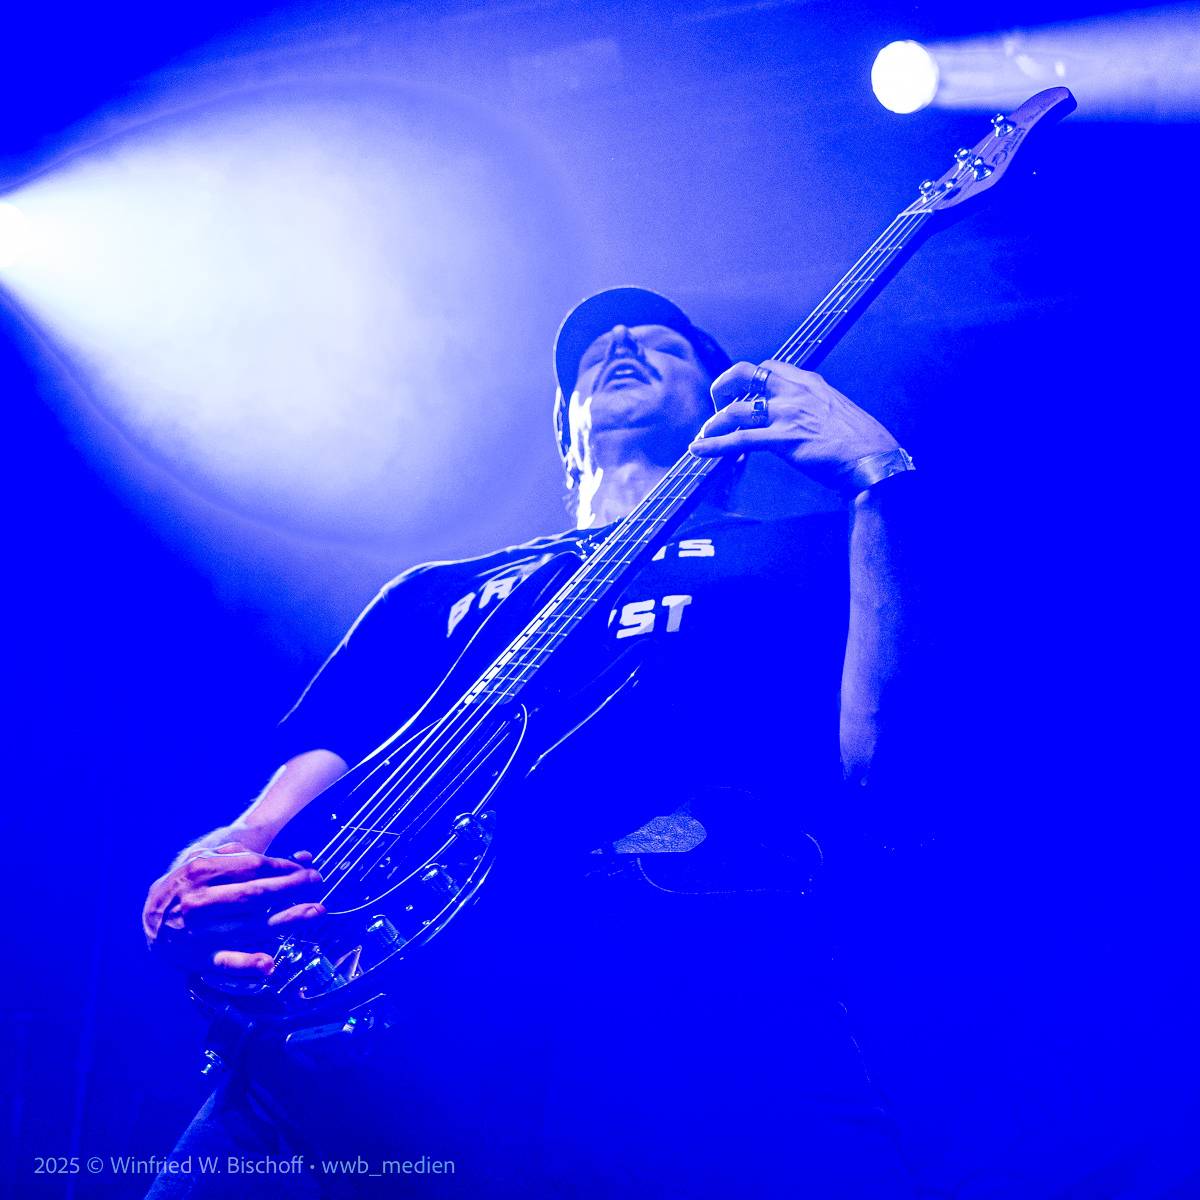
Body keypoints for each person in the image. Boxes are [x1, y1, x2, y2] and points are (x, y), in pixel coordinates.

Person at [141, 286, 919, 1198]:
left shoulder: (804, 549)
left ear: (730, 415)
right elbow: (286, 804)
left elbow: (887, 762)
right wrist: (200, 882)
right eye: (593, 353)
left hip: (679, 993)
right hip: (349, 1031)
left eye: (664, 344)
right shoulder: (433, 590)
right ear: (565, 435)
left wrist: (880, 482)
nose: (621, 340)